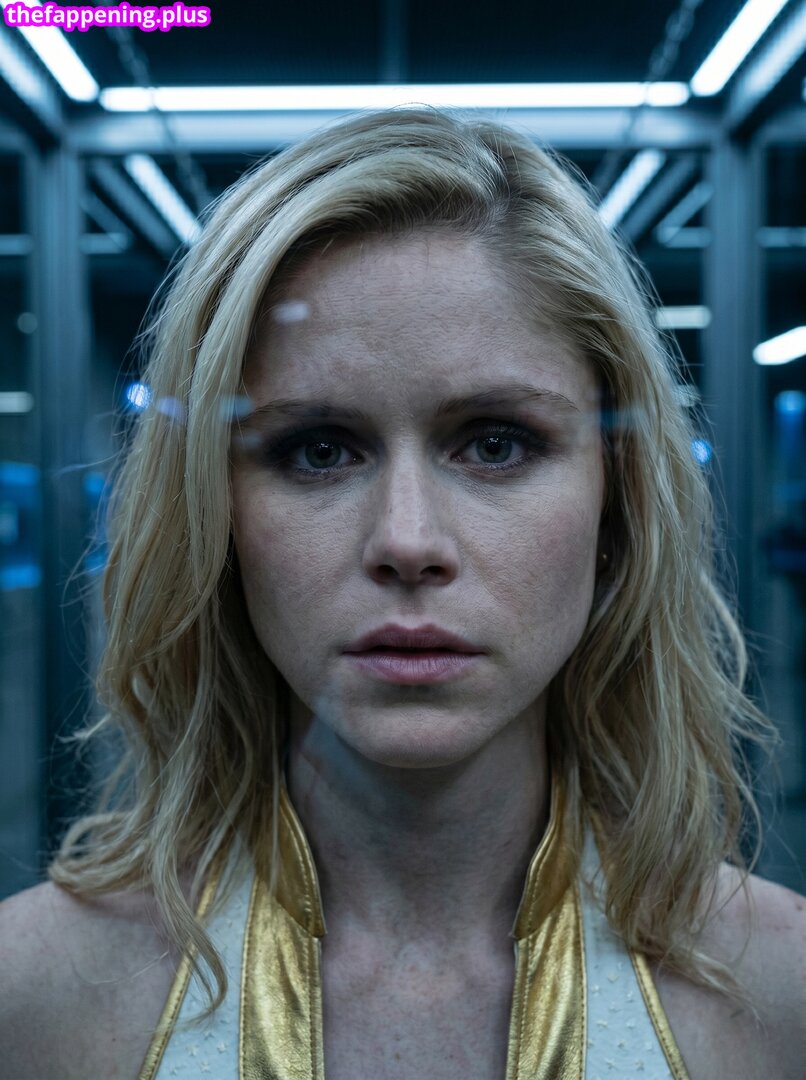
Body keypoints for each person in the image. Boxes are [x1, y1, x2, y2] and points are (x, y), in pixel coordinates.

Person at [1, 106, 804, 1080]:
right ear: (214, 518)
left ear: (616, 505)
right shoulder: (35, 1000)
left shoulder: (779, 998)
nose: (407, 542)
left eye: (496, 444)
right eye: (318, 451)